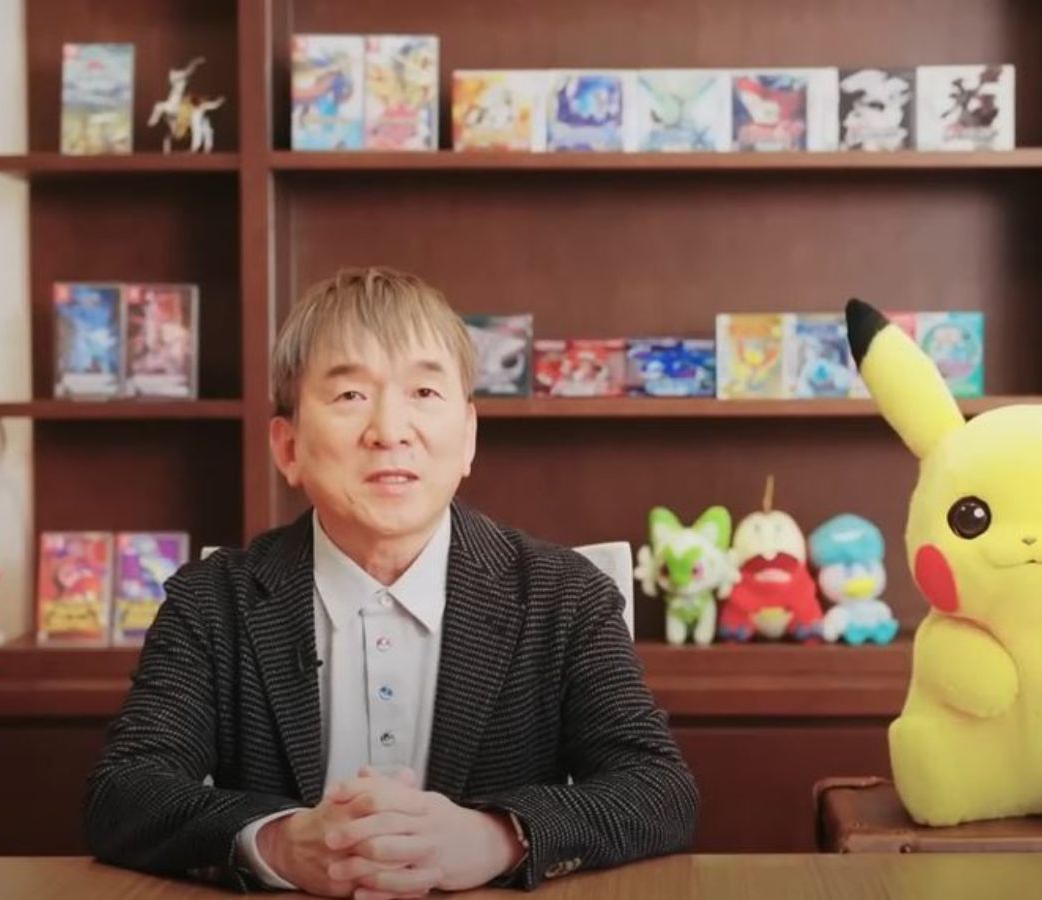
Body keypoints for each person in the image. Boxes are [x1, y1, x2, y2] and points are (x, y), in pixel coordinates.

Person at [83, 266, 699, 896]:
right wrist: (278, 842)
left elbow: (656, 788)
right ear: (288, 446)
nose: (389, 430)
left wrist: (494, 838)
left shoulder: (564, 595)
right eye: (350, 396)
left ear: (467, 438)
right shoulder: (214, 601)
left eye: (424, 394)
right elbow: (124, 792)